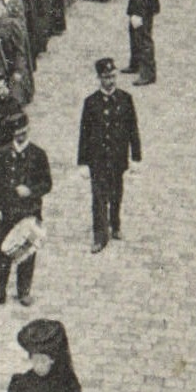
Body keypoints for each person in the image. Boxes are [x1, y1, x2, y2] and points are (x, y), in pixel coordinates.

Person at [0, 116, 52, 309]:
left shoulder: (38, 154)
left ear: (28, 129)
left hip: (28, 211)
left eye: (23, 130)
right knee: (3, 252)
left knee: (26, 253)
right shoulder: (2, 154)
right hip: (7, 211)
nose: (20, 134)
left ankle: (23, 291)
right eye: (16, 131)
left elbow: (47, 183)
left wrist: (31, 191)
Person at [77, 57, 142, 254]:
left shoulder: (125, 99)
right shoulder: (91, 103)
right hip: (97, 159)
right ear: (99, 78)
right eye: (106, 77)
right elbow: (84, 133)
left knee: (116, 194)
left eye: (113, 76)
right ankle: (99, 235)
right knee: (98, 197)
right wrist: (82, 162)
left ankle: (115, 224)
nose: (110, 81)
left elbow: (133, 129)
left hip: (117, 158)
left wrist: (136, 157)